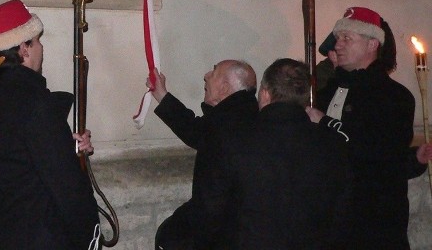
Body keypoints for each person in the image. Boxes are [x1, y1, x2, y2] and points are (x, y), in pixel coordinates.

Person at [0, 0, 100, 249]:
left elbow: (15, 159)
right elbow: (67, 188)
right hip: (39, 237)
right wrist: (90, 236)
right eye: (36, 40)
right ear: (23, 49)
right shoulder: (37, 104)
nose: (41, 47)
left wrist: (65, 145)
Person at [306, 7, 432, 249]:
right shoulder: (327, 92)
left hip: (371, 223)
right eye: (338, 38)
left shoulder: (394, 97)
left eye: (347, 38)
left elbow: (376, 156)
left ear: (372, 44)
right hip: (331, 217)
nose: (338, 45)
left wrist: (325, 123)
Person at [202, 58, 352, 249]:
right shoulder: (332, 143)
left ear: (265, 95)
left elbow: (211, 213)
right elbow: (341, 214)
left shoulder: (233, 141)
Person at [149, 60, 259, 250]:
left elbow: (211, 208)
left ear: (224, 88)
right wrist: (162, 95)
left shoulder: (227, 125)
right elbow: (197, 130)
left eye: (214, 72)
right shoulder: (240, 117)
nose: (206, 75)